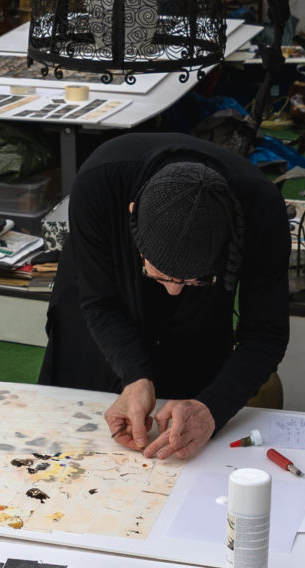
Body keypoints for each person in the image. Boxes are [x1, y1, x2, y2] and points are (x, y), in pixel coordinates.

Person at [38, 132, 290, 461]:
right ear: (132, 213)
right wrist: (135, 376)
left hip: (201, 315)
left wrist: (211, 408)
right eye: (161, 275)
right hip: (98, 303)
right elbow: (100, 301)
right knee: (76, 437)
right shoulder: (99, 183)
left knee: (184, 432)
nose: (173, 290)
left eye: (191, 279)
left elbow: (265, 335)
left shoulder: (262, 209)